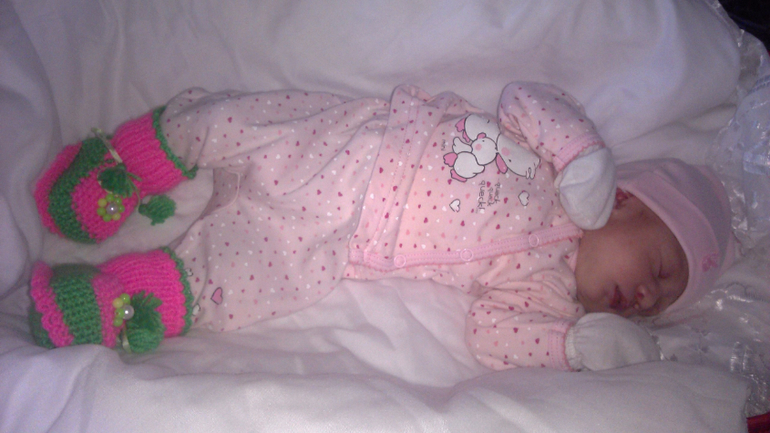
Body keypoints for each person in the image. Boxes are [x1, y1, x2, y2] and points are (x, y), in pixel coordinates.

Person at [28, 82, 735, 371]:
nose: (647, 297)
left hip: (339, 236)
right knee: (233, 123)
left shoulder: (544, 291)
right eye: (660, 268)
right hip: (359, 144)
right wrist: (584, 155)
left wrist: (574, 345)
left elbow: (493, 334)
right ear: (626, 201)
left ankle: (125, 299)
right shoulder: (557, 163)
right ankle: (125, 165)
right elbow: (526, 99)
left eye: (657, 305)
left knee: (237, 281)